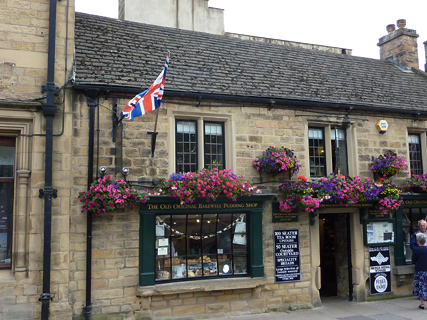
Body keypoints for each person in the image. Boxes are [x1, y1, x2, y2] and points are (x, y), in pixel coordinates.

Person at [412, 232, 427, 309]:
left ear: (418, 241)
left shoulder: (416, 250)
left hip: (420, 270)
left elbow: (413, 260)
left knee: (421, 286)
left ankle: (422, 303)